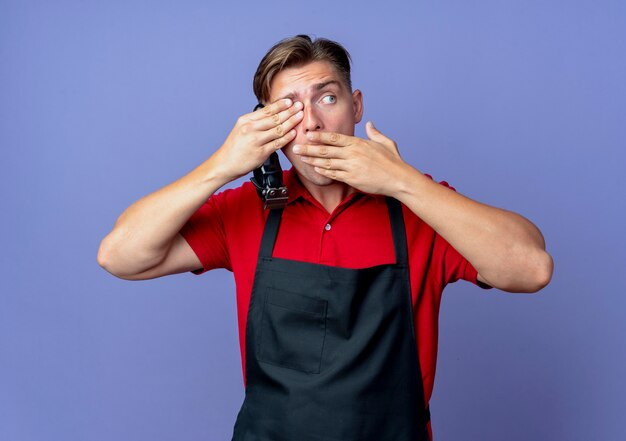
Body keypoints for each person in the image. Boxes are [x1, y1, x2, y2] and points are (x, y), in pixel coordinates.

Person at [98, 34, 553, 441]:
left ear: (356, 106)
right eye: (290, 109)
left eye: (327, 98)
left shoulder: (420, 206)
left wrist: (403, 182)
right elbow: (120, 255)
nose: (312, 123)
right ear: (267, 127)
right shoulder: (245, 211)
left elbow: (531, 268)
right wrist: (221, 165)